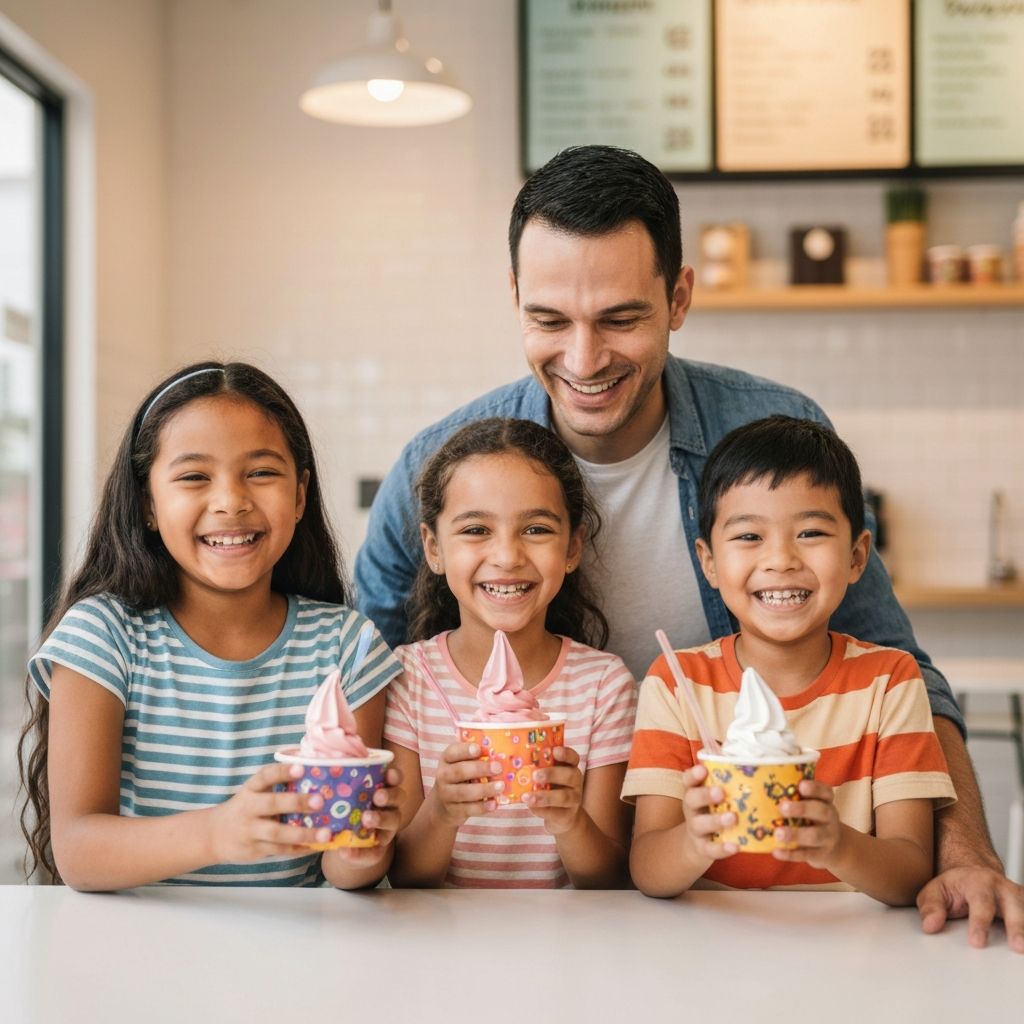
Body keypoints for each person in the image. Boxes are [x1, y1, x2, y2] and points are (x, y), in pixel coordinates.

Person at [355, 144, 1023, 947]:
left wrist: (968, 853)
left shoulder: (767, 433)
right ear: (515, 298)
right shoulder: (441, 462)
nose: (584, 358)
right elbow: (359, 683)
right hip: (518, 903)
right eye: (549, 319)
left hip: (719, 892)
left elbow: (901, 669)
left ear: (678, 298)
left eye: (621, 318)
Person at [19, 361, 403, 891]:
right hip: (138, 954)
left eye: (262, 472)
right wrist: (219, 833)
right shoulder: (103, 637)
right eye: (194, 476)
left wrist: (364, 848)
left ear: (299, 495)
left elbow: (343, 869)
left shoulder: (348, 645)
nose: (231, 501)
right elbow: (78, 851)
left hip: (298, 957)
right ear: (147, 503)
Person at [625, 415, 955, 902]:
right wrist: (695, 842)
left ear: (858, 556)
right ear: (709, 562)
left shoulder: (891, 681)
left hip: (855, 950)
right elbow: (646, 869)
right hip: (706, 947)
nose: (780, 559)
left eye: (811, 534)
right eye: (748, 537)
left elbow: (910, 873)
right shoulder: (677, 683)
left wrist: (837, 845)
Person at [383, 418, 636, 888]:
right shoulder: (408, 678)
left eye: (536, 529)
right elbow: (404, 875)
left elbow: (609, 879)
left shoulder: (603, 685)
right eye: (476, 529)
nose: (507, 556)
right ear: (434, 548)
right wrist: (441, 810)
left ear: (573, 547)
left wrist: (569, 820)